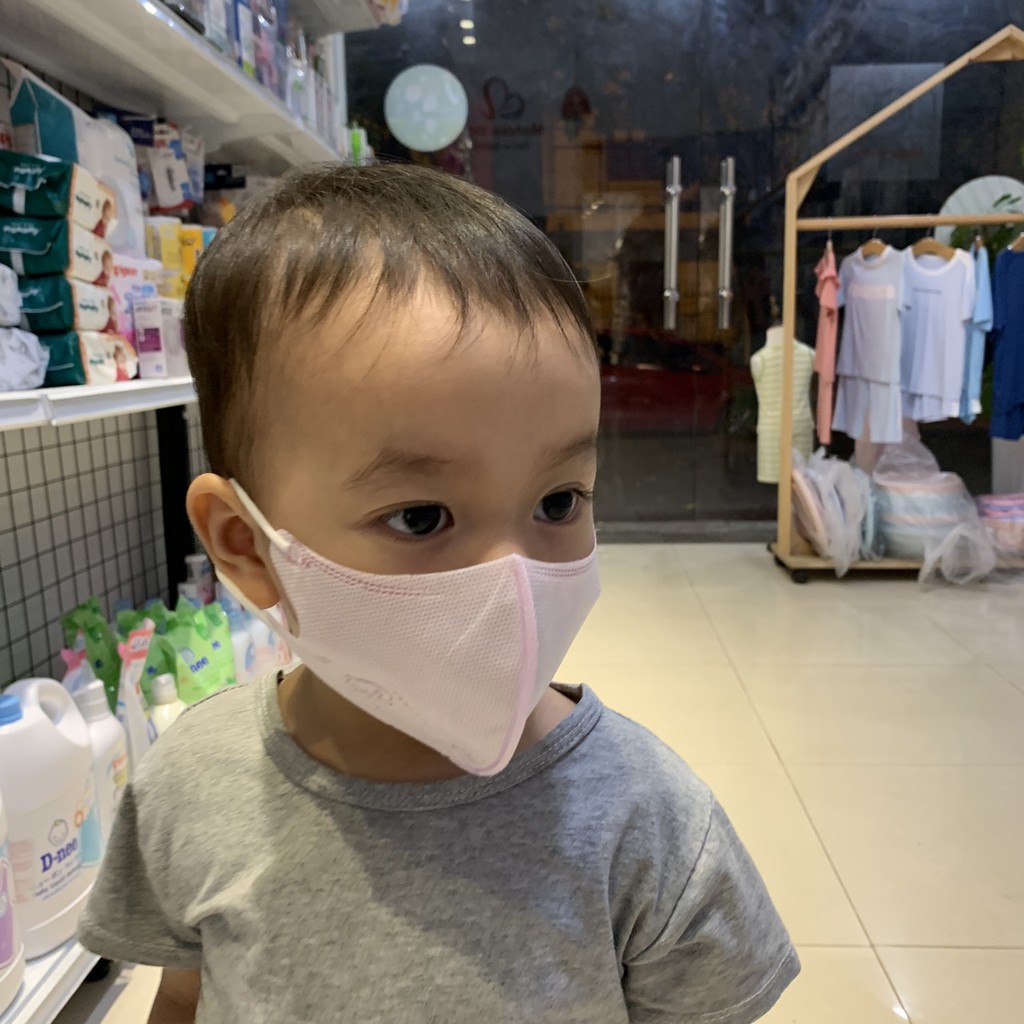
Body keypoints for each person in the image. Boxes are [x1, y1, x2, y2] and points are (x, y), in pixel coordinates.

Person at [78, 163, 798, 1024]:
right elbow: (183, 999)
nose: (512, 583)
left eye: (558, 501)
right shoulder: (190, 787)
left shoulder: (649, 824)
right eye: (421, 516)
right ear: (248, 546)